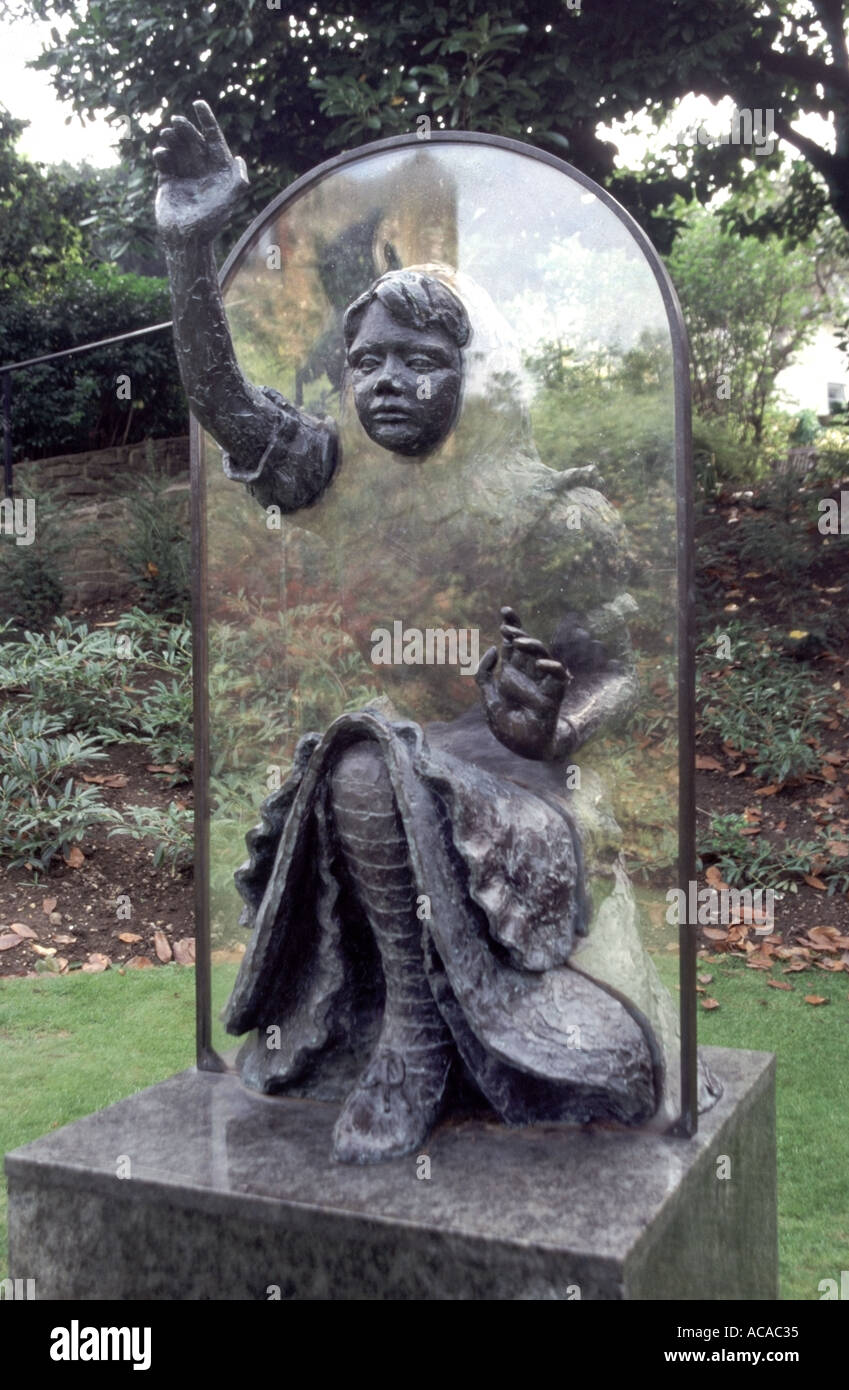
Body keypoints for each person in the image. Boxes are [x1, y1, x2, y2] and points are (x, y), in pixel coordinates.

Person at [154, 103, 720, 1163]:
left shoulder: (557, 509)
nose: (387, 384)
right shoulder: (340, 474)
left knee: (364, 768)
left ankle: (419, 1038)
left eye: (418, 359)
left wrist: (550, 726)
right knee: (362, 756)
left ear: (479, 371)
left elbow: (624, 677)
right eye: (366, 363)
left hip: (526, 788)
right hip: (404, 753)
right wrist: (189, 247)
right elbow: (221, 400)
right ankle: (402, 1027)